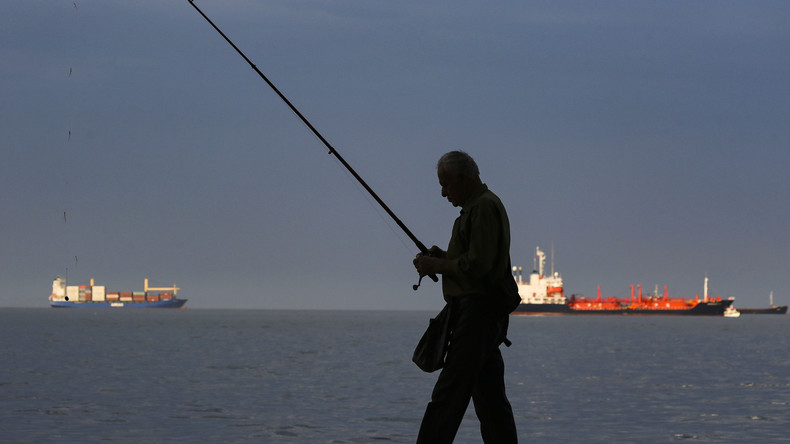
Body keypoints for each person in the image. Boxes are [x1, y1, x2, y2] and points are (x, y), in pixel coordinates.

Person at [413, 151, 518, 443]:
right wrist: (444, 257)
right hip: (481, 316)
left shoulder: (483, 207)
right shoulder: (478, 207)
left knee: (449, 394)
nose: (444, 193)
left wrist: (438, 265)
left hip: (476, 316)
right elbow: (474, 261)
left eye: (446, 184)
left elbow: (478, 265)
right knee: (491, 400)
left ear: (463, 178)